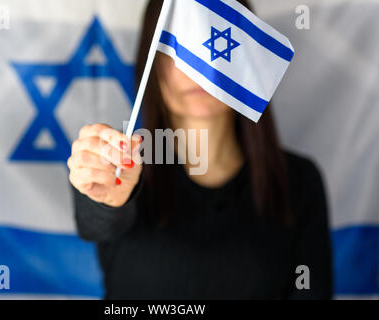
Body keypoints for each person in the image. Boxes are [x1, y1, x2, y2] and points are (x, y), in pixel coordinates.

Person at [67, 0, 332, 299]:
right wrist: (106, 197)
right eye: (179, 40)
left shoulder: (298, 182)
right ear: (151, 59)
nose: (196, 66)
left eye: (214, 36)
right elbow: (95, 223)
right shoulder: (118, 167)